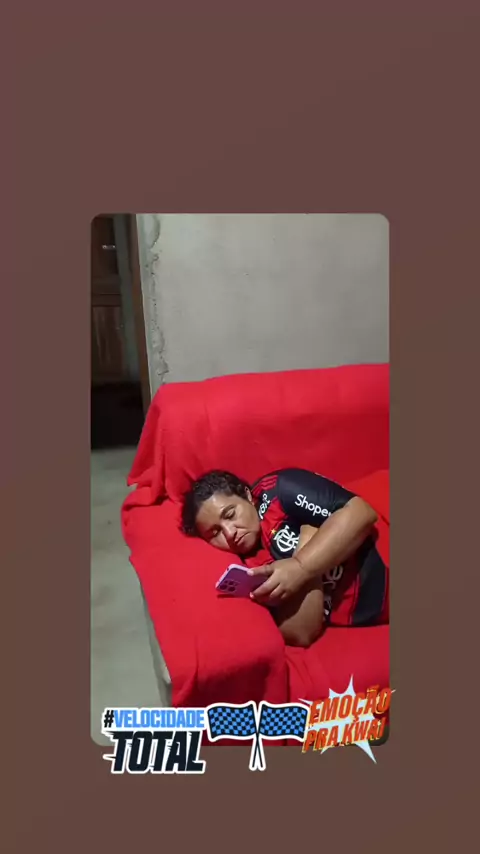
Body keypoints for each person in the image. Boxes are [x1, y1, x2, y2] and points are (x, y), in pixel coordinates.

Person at [180, 468, 389, 648]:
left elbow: (361, 513)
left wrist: (301, 567)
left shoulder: (278, 492)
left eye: (230, 514)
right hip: (371, 613)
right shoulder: (244, 569)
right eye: (215, 533)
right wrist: (308, 544)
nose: (229, 533)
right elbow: (300, 634)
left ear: (247, 495)